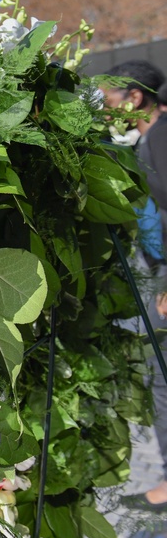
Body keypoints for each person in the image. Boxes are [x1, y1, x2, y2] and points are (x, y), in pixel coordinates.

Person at [101, 60, 167, 512]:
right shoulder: (151, 138)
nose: (107, 109)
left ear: (135, 98)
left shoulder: (162, 137)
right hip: (157, 265)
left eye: (110, 99)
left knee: (162, 382)